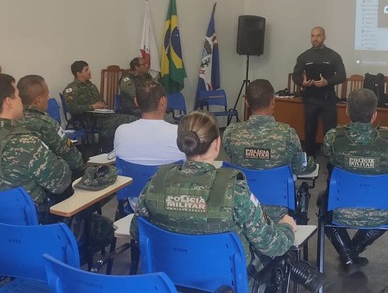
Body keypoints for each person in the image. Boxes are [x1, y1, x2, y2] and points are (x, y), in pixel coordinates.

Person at [131, 111, 325, 292]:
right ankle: (304, 271)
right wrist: (286, 227)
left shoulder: (156, 182)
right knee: (279, 251)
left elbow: (136, 229)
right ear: (217, 144)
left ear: (181, 143)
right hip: (231, 284)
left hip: (170, 281)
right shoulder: (234, 190)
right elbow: (272, 244)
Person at [319, 89, 388, 274]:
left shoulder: (333, 137)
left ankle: (348, 253)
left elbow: (329, 158)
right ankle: (352, 252)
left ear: (347, 111)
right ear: (375, 115)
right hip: (380, 212)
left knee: (323, 204)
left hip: (340, 210)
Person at [222, 79, 316, 221]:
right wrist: (312, 163)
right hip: (279, 212)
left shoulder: (230, 133)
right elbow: (299, 167)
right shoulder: (287, 134)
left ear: (247, 102)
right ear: (273, 102)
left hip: (241, 207)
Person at [0, 73, 72, 206]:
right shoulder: (25, 142)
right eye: (17, 96)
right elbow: (61, 181)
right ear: (9, 102)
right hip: (30, 222)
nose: (20, 100)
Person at [114, 80, 184, 209]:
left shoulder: (121, 131)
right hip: (173, 208)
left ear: (136, 102)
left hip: (135, 207)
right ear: (163, 101)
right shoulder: (180, 133)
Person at [292, 26, 346, 157]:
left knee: (330, 131)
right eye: (313, 36)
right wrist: (302, 82)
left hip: (328, 99)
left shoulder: (333, 56)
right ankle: (309, 158)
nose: (315, 39)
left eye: (318, 36)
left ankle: (331, 162)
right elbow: (295, 76)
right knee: (309, 130)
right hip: (310, 98)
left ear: (324, 37)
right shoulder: (304, 56)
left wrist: (327, 82)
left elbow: (342, 75)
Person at [17, 75, 85, 178]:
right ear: (38, 100)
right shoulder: (47, 124)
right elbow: (69, 153)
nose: (48, 98)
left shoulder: (13, 120)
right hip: (51, 180)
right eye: (47, 95)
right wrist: (83, 168)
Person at [62, 60, 135, 152]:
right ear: (78, 73)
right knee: (128, 120)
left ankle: (118, 149)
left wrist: (102, 105)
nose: (90, 71)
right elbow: (72, 109)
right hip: (87, 119)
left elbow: (100, 100)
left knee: (130, 117)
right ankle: (106, 151)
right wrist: (92, 107)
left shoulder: (91, 86)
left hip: (102, 116)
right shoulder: (71, 89)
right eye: (86, 70)